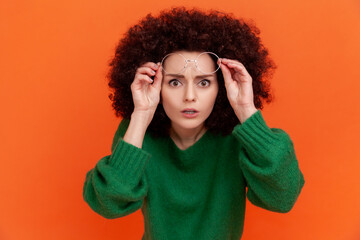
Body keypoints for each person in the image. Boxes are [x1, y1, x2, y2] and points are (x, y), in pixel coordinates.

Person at [83, 7, 305, 240]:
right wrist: (141, 115)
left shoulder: (238, 139)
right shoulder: (137, 136)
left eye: (204, 83)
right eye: (175, 83)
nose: (190, 96)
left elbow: (284, 197)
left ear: (222, 86)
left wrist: (245, 109)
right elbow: (107, 203)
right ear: (156, 85)